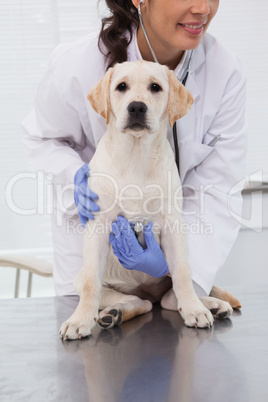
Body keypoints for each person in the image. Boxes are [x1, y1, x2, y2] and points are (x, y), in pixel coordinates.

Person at [21, 0, 247, 297]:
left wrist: (180, 281)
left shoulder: (225, 72)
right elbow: (43, 138)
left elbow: (219, 188)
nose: (203, 8)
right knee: (93, 335)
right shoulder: (77, 64)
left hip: (169, 273)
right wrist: (77, 176)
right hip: (96, 261)